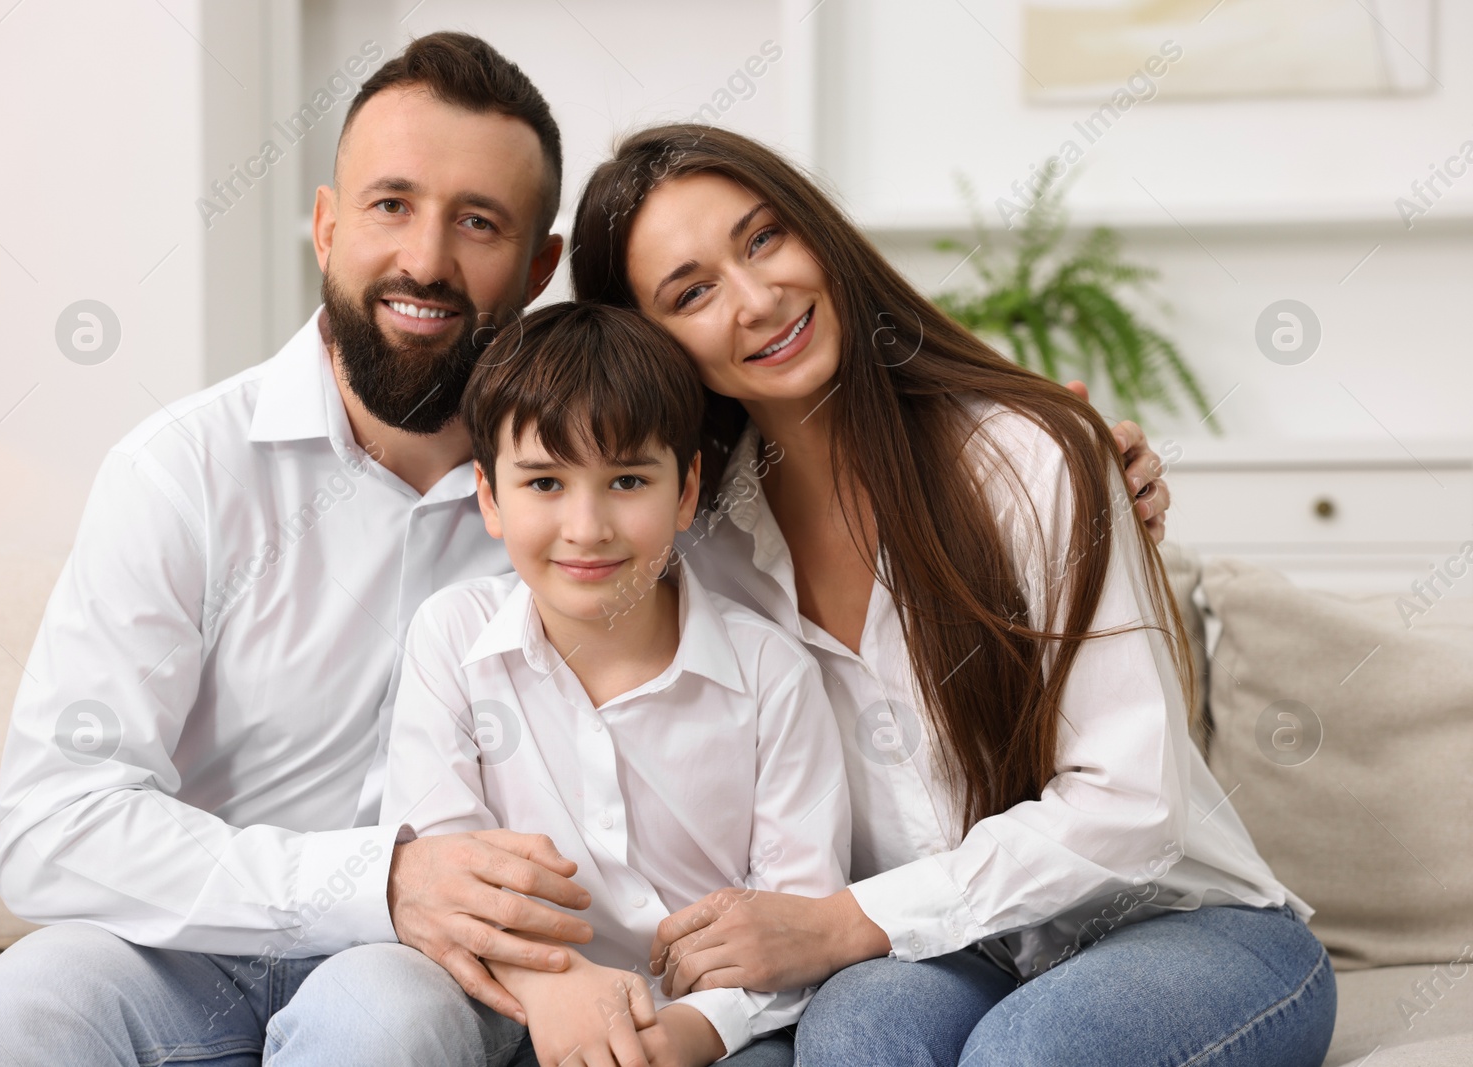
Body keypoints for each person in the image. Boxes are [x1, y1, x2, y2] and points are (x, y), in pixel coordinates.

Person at [0, 32, 1172, 1067]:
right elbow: (50, 829)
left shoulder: (622, 492)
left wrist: (1064, 463)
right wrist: (384, 875)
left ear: (539, 266)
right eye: (390, 207)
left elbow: (851, 475)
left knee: (388, 1022)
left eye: (476, 222)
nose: (424, 257)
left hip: (411, 975)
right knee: (7, 1020)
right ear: (324, 224)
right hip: (191, 936)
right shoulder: (183, 471)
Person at [566, 124, 1337, 1066]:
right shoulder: (702, 547)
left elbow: (1133, 804)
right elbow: (539, 534)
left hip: (1186, 924)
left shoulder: (1027, 457)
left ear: (819, 233)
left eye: (765, 238)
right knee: (854, 1035)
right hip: (951, 947)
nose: (759, 299)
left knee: (1028, 1050)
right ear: (650, 347)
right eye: (693, 291)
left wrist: (843, 920)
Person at [380, 301, 848, 1066]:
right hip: (515, 1008)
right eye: (544, 483)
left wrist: (684, 1035)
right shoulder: (453, 637)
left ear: (687, 488)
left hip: (723, 1034)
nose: (587, 526)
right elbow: (450, 871)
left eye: (627, 479)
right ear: (490, 497)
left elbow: (796, 924)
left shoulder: (771, 673)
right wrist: (551, 989)